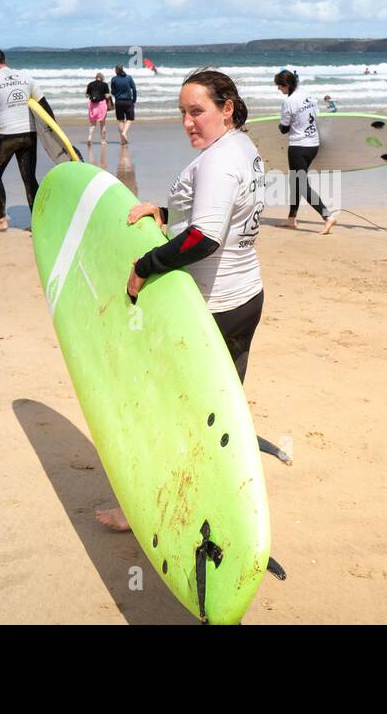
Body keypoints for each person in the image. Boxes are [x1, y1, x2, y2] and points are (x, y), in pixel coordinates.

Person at [97, 69, 266, 532]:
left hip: (208, 312)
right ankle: (213, 501)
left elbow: (205, 237)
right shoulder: (243, 148)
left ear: (226, 107)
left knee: (167, 410)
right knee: (214, 415)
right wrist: (165, 212)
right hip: (245, 297)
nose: (189, 122)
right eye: (183, 113)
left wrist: (146, 264)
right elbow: (219, 213)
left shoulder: (217, 160)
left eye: (198, 111)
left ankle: (146, 510)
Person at [0, 48, 55, 233]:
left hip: (7, 137)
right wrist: (53, 134)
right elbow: (45, 107)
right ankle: (38, 223)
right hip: (29, 135)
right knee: (29, 178)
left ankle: (1, 220)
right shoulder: (27, 78)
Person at [274, 69, 337, 234]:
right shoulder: (308, 94)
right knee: (295, 181)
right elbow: (316, 116)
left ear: (286, 85)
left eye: (280, 86)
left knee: (301, 185)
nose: (279, 89)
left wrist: (280, 125)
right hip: (313, 145)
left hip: (298, 147)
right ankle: (291, 218)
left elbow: (284, 129)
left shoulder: (289, 102)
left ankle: (327, 216)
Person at [110, 64, 138, 144]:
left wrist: (117, 95)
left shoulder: (114, 79)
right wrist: (134, 100)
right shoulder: (129, 78)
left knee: (120, 120)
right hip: (128, 101)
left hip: (118, 102)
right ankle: (124, 133)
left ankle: (122, 140)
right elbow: (134, 89)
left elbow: (112, 91)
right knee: (129, 119)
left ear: (116, 70)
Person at [85, 72, 112, 144]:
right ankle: (103, 140)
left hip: (92, 105)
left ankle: (89, 137)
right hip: (101, 105)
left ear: (96, 77)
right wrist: (110, 95)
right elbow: (106, 96)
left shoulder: (90, 84)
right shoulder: (105, 84)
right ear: (102, 78)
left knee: (93, 124)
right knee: (102, 123)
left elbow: (87, 96)